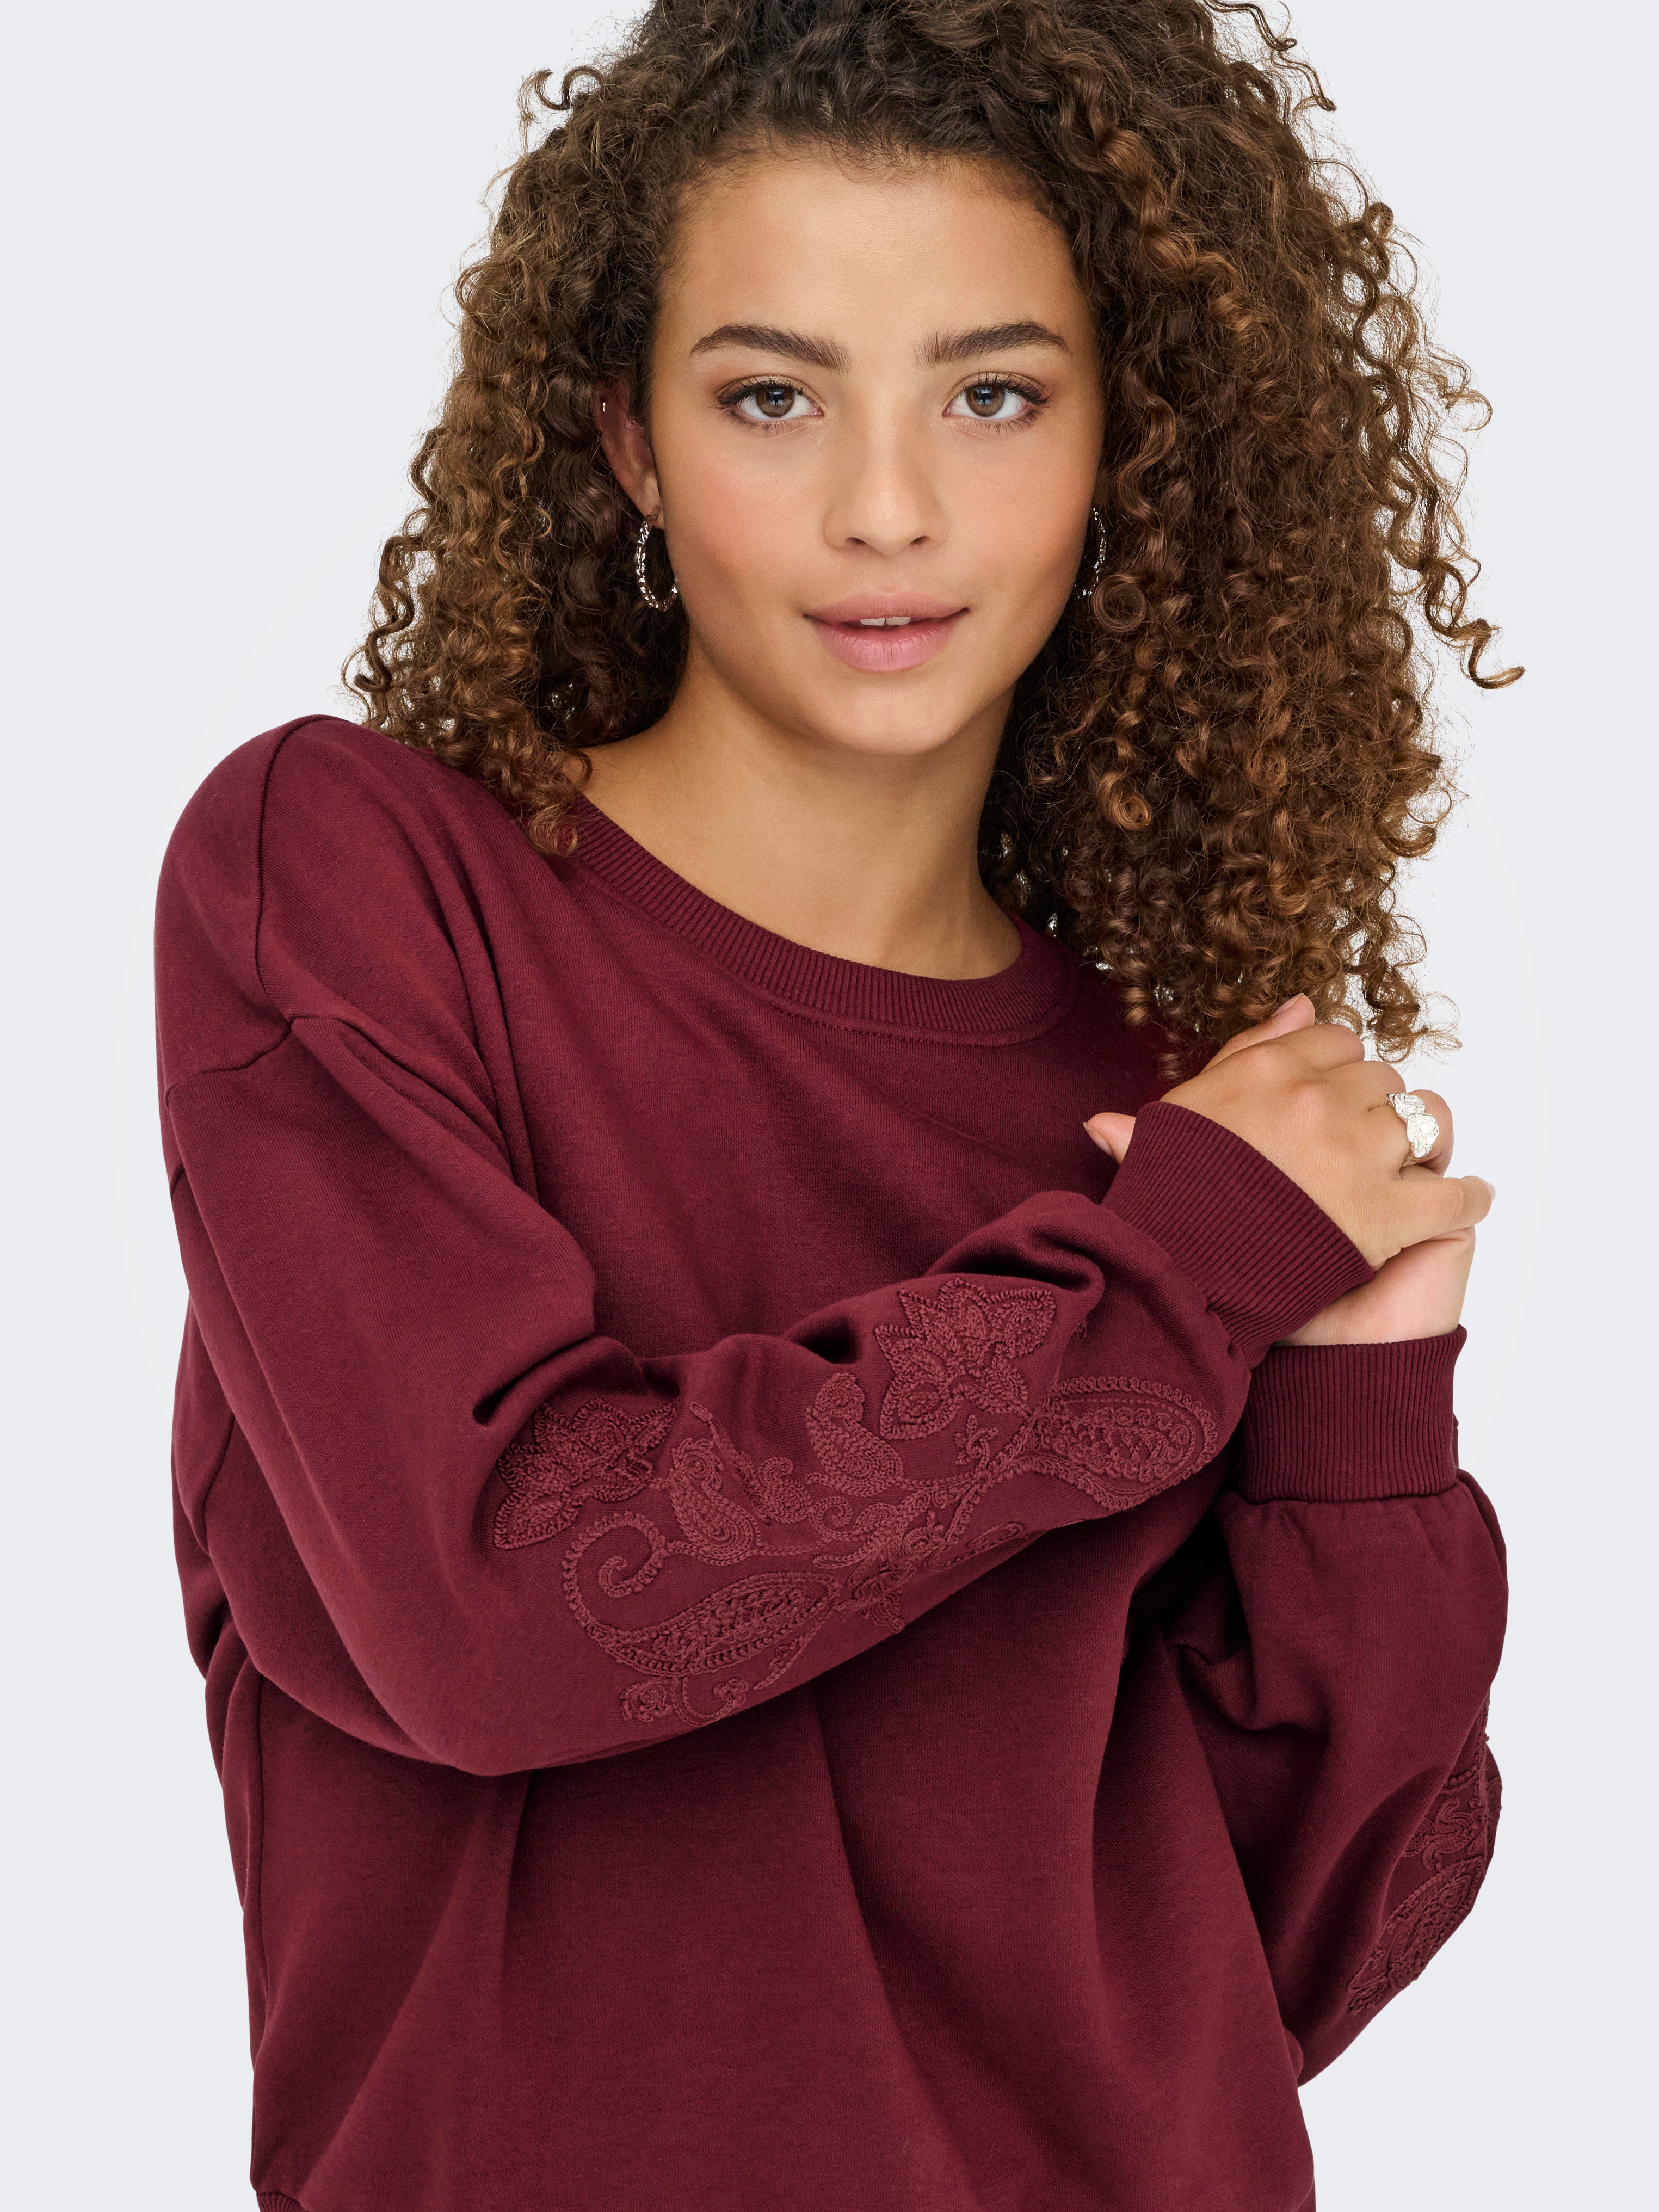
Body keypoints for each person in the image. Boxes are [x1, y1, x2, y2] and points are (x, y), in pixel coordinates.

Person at [153, 3, 1516, 2207]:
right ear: (626, 439)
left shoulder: (1161, 1113)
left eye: (994, 395)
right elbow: (501, 1602)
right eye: (770, 396)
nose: (887, 508)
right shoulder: (358, 884)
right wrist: (1162, 1291)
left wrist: (1356, 1430)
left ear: (1125, 441)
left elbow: (1269, 1963)